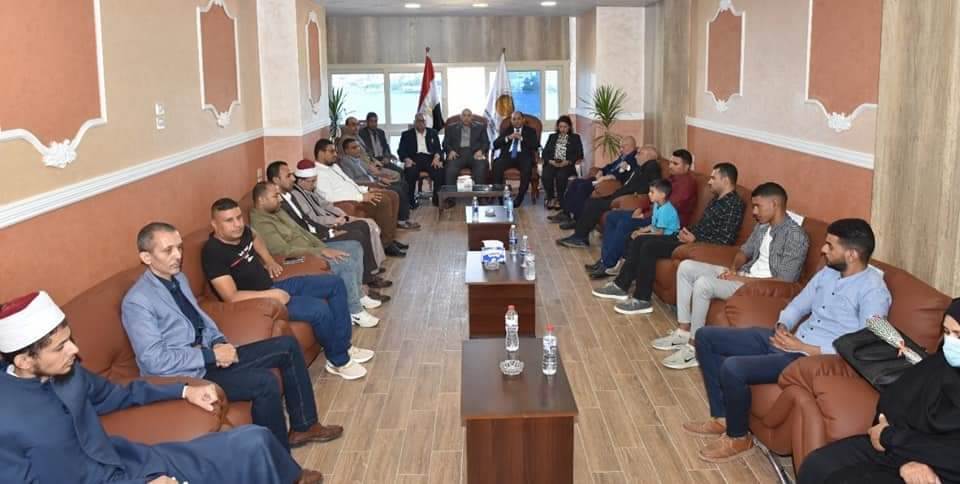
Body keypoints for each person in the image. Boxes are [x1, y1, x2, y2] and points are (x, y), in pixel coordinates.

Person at [0, 290, 323, 483]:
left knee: (254, 439)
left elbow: (120, 394)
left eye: (70, 339)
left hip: (131, 462)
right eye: (60, 347)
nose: (75, 350)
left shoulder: (69, 373)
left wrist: (183, 390)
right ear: (24, 360)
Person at [122, 222, 347, 452]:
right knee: (264, 382)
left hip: (210, 355)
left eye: (179, 247)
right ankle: (279, 464)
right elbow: (154, 360)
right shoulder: (137, 301)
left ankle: (304, 427)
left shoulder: (178, 278)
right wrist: (211, 356)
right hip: (186, 375)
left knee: (287, 346)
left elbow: (201, 319)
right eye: (168, 250)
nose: (178, 255)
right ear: (146, 257)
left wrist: (219, 342)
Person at [682, 219, 891, 463]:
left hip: (809, 359)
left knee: (734, 367)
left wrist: (804, 348)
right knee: (707, 337)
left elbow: (863, 345)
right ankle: (722, 418)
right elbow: (799, 304)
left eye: (830, 246)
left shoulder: (873, 291)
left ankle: (739, 437)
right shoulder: (828, 273)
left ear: (852, 254)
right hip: (791, 342)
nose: (823, 250)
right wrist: (783, 326)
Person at [202, 198, 373, 380]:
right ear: (214, 224)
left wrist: (268, 260)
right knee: (318, 309)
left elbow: (255, 236)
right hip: (257, 303)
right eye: (229, 220)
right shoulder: (213, 252)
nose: (237, 224)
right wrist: (272, 295)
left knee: (334, 283)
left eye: (238, 217)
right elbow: (231, 297)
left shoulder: (243, 231)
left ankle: (343, 346)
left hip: (272, 286)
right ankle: (338, 362)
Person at [798, 299, 960, 484]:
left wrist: (892, 438)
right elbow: (894, 402)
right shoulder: (939, 365)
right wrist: (896, 442)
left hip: (943, 471)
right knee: (818, 465)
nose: (950, 342)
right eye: (947, 332)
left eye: (958, 335)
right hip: (900, 447)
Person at [654, 183, 809, 370]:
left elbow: (785, 280)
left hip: (759, 287)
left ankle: (695, 348)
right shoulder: (762, 226)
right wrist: (734, 269)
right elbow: (743, 251)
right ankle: (683, 331)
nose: (754, 211)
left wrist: (741, 279)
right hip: (744, 275)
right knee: (687, 267)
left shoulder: (795, 236)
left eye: (758, 206)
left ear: (774, 204)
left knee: (704, 284)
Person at [593, 162, 746, 315]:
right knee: (640, 240)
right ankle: (620, 286)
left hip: (699, 246)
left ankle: (642, 299)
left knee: (649, 246)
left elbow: (725, 239)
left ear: (725, 180)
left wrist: (694, 239)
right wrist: (687, 231)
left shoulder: (734, 205)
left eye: (713, 178)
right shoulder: (716, 200)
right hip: (689, 238)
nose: (709, 181)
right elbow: (702, 226)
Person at [249, 182, 381, 328]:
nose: (280, 199)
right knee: (344, 261)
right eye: (275, 196)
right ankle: (354, 311)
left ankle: (359, 295)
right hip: (300, 257)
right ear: (261, 200)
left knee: (354, 246)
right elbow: (283, 250)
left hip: (312, 247)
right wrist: (320, 252)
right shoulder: (261, 223)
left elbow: (302, 232)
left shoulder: (277, 211)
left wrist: (323, 247)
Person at [268, 159, 390, 290]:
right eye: (288, 176)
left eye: (292, 174)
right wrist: (330, 231)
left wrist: (343, 218)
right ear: (276, 180)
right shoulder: (282, 203)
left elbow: (321, 208)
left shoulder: (291, 195)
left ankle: (369, 274)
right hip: (317, 236)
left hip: (322, 229)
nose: (293, 178)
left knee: (362, 226)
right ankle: (367, 280)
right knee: (357, 234)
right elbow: (307, 224)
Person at [586, 149, 698, 277]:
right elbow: (655, 198)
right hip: (653, 214)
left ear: (687, 167)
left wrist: (645, 214)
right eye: (670, 162)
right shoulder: (671, 178)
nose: (671, 166)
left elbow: (668, 206)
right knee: (612, 216)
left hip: (665, 221)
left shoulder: (687, 184)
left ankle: (608, 264)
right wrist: (642, 209)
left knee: (625, 223)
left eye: (675, 164)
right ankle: (605, 260)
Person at [313, 139, 407, 256]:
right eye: (331, 151)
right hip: (351, 202)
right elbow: (330, 197)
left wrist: (367, 189)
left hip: (358, 195)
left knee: (393, 195)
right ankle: (386, 244)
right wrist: (361, 197)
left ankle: (390, 238)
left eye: (335, 151)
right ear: (321, 153)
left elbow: (350, 183)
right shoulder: (318, 173)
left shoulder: (334, 167)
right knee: (384, 201)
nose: (335, 154)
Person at [290, 158, 388, 271]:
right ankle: (369, 272)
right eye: (311, 181)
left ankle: (373, 268)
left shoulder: (310, 190)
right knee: (359, 232)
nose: (314, 184)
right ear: (301, 181)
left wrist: (344, 216)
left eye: (315, 180)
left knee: (365, 224)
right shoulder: (296, 195)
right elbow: (313, 218)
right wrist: (334, 221)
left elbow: (327, 205)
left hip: (335, 220)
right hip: (326, 227)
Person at [557, 142, 661, 247]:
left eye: (639, 153)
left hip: (626, 198)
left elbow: (652, 186)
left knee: (593, 204)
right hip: (619, 195)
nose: (636, 156)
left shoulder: (652, 166)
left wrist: (636, 194)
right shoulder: (640, 167)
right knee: (591, 201)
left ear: (649, 156)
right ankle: (579, 234)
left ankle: (580, 237)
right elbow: (625, 178)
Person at [547, 137, 641, 225]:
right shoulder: (623, 156)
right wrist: (601, 170)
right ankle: (566, 213)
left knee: (582, 187)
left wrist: (608, 176)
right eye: (620, 147)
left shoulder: (633, 159)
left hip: (607, 182)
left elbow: (624, 174)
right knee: (575, 182)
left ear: (630, 146)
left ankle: (577, 219)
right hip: (601, 178)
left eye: (623, 147)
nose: (620, 149)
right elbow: (610, 166)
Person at [340, 137, 419, 228]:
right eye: (354, 148)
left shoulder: (359, 160)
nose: (358, 149)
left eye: (358, 147)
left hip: (376, 181)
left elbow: (371, 173)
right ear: (346, 151)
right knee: (397, 189)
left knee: (402, 184)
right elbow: (352, 180)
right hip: (370, 186)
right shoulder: (345, 162)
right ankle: (402, 221)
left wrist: (381, 178)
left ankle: (402, 217)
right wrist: (375, 183)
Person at [492, 111, 540, 206]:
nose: (516, 121)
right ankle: (500, 196)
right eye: (514, 119)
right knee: (497, 164)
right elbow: (495, 144)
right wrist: (508, 138)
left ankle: (519, 198)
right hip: (508, 156)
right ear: (511, 121)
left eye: (518, 119)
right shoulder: (507, 130)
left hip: (523, 157)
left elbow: (535, 145)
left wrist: (522, 138)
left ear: (523, 120)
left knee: (527, 166)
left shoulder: (530, 131)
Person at [398, 113, 444, 207]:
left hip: (430, 159)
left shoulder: (433, 133)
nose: (420, 123)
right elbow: (401, 151)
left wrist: (437, 157)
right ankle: (411, 201)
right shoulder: (406, 134)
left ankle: (437, 200)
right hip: (414, 159)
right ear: (414, 122)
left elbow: (438, 149)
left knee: (440, 172)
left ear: (425, 122)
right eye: (418, 121)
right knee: (409, 173)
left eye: (422, 121)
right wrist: (406, 159)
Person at [540, 115, 585, 210]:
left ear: (569, 127)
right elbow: (545, 153)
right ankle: (551, 197)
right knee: (546, 175)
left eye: (565, 127)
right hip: (553, 163)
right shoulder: (552, 137)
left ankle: (560, 199)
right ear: (557, 127)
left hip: (567, 164)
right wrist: (550, 161)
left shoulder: (575, 137)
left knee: (561, 175)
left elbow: (580, 154)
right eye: (560, 127)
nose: (563, 129)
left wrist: (568, 161)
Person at [442, 108, 491, 187]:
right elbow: (445, 143)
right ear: (461, 117)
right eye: (464, 115)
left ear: (472, 117)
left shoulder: (480, 127)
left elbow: (486, 143)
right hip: (457, 154)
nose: (466, 118)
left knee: (481, 166)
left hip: (475, 154)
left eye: (469, 116)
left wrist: (481, 151)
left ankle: (480, 193)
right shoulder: (451, 128)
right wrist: (450, 151)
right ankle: (450, 194)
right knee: (450, 168)